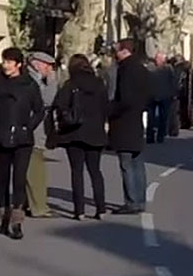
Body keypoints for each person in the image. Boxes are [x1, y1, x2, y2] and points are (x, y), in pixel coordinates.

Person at [0, 47, 44, 239]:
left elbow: (39, 110)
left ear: (18, 64)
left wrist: (28, 127)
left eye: (10, 62)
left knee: (19, 179)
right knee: (2, 179)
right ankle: (3, 216)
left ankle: (17, 221)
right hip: (0, 136)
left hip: (22, 139)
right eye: (4, 61)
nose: (6, 65)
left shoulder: (29, 84)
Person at [53, 54, 109, 220]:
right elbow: (106, 107)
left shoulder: (70, 84)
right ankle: (101, 208)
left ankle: (80, 210)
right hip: (95, 132)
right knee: (95, 171)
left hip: (74, 133)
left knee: (77, 172)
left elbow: (59, 105)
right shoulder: (99, 84)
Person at [108, 38, 151, 214]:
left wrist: (110, 110)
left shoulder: (125, 69)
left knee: (126, 163)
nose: (114, 53)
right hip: (137, 119)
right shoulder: (142, 68)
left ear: (125, 51)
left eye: (117, 50)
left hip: (124, 121)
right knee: (137, 162)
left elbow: (124, 98)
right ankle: (140, 199)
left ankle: (132, 201)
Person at [25, 51, 58, 218]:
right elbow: (47, 100)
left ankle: (29, 203)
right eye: (47, 66)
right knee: (35, 170)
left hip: (34, 129)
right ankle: (38, 206)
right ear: (37, 64)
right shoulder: (33, 80)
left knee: (32, 168)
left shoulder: (35, 79)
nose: (50, 69)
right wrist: (52, 82)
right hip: (34, 130)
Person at [146, 53, 178, 145]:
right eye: (158, 58)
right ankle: (153, 136)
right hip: (156, 95)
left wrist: (173, 93)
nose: (158, 60)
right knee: (154, 117)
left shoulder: (165, 69)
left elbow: (173, 82)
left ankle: (158, 135)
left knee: (161, 117)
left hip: (161, 95)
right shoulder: (164, 69)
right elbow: (173, 81)